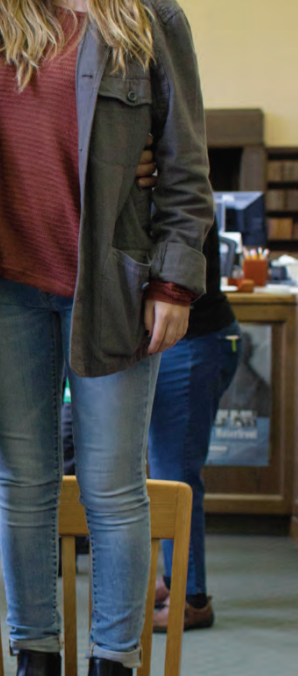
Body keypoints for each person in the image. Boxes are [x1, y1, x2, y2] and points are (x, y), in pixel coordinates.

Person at [0, 0, 213, 676]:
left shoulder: (147, 15)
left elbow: (183, 167)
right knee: (23, 491)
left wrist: (176, 279)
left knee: (111, 491)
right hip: (6, 288)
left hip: (107, 288)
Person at [148, 223, 238, 632]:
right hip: (181, 343)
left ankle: (193, 599)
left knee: (177, 477)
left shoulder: (179, 177)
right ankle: (174, 580)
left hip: (193, 343)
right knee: (167, 470)